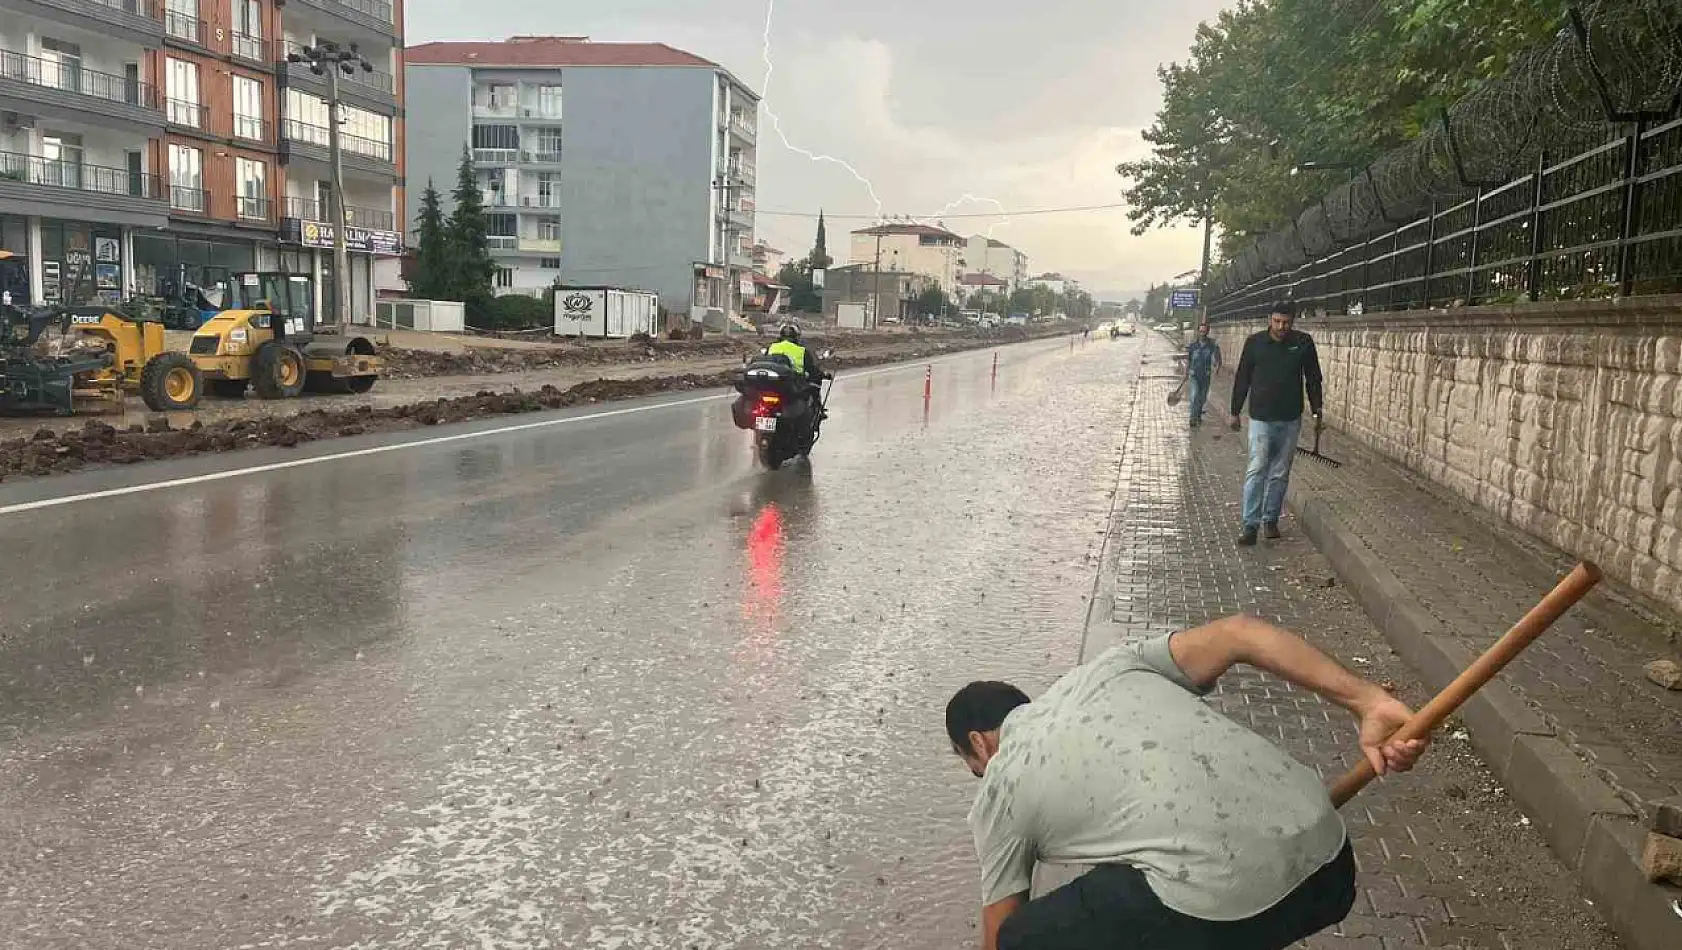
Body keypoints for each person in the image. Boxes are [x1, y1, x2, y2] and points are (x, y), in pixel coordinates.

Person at [946, 615, 1427, 950]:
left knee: (1020, 941)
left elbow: (996, 940)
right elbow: (1241, 632)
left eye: (974, 769)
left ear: (980, 745)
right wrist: (1367, 701)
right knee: (1134, 880)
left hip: (1227, 907)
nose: (981, 779)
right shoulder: (1111, 667)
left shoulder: (1000, 787)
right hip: (1331, 862)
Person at [1229, 301, 1323, 546]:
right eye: (1277, 321)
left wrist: (1317, 411)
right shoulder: (1255, 343)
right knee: (1257, 468)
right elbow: (1242, 378)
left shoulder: (1303, 343)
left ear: (1292, 322)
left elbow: (1314, 378)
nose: (1281, 327)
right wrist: (1234, 411)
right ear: (1269, 319)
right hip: (1261, 417)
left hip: (1290, 417)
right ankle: (1250, 525)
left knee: (1280, 472)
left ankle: (1270, 519)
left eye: (1286, 322)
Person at [1184, 322, 1222, 427]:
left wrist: (1217, 368)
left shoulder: (1212, 345)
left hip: (1205, 375)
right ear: (1198, 332)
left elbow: (1218, 359)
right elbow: (1189, 360)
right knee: (1194, 395)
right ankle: (1192, 418)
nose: (1202, 334)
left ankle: (1198, 415)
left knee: (1202, 398)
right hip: (1194, 375)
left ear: (1208, 332)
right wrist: (1186, 373)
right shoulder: (1193, 346)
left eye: (1204, 331)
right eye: (1200, 331)